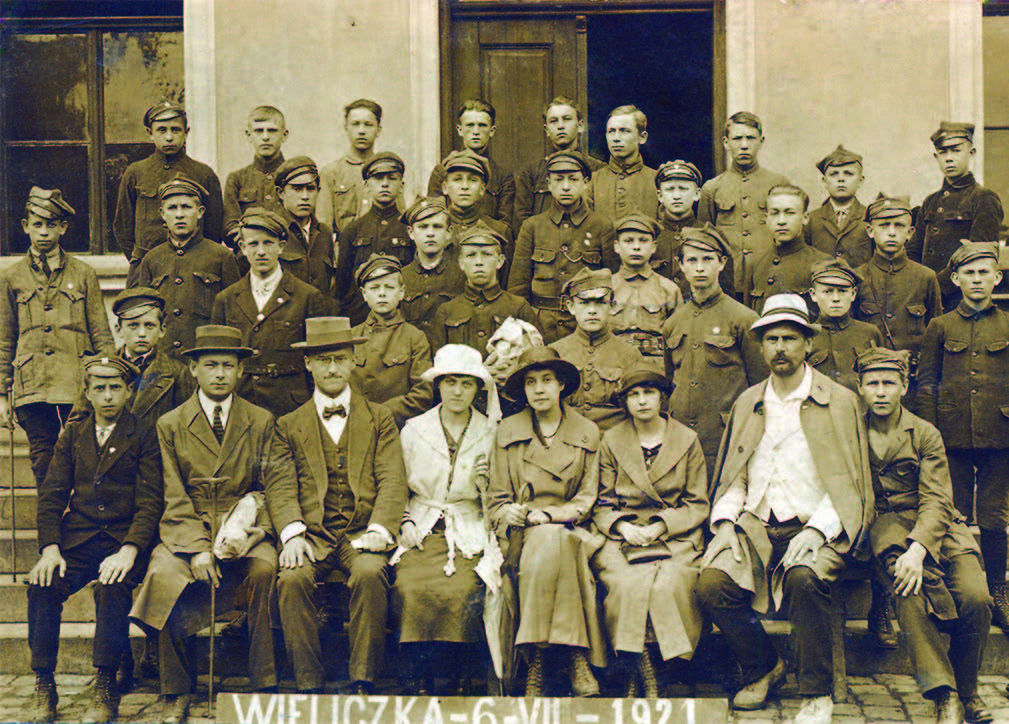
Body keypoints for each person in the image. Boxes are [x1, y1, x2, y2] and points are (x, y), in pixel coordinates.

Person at [696, 293, 872, 724]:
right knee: (712, 584)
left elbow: (849, 483)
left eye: (790, 339)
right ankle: (764, 667)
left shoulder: (838, 400)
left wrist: (816, 531)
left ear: (808, 343)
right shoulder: (749, 401)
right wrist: (725, 523)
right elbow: (735, 475)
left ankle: (816, 692)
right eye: (771, 339)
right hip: (757, 524)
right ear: (761, 346)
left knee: (803, 579)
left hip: (818, 524)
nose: (780, 348)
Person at [129, 326, 281, 723]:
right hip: (186, 526)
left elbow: (272, 485)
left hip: (244, 528)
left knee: (264, 569)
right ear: (193, 369)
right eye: (210, 365)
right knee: (164, 573)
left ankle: (263, 684)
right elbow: (171, 492)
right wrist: (197, 548)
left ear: (240, 371)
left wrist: (257, 530)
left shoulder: (261, 420)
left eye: (228, 366)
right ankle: (176, 690)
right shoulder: (170, 423)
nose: (220, 374)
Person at [265, 316, 407, 695]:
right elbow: (280, 485)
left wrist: (380, 529)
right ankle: (308, 683)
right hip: (312, 534)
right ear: (308, 364)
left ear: (353, 361)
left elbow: (392, 478)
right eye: (323, 360)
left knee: (370, 574)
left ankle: (363, 680)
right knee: (292, 578)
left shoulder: (379, 418)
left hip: (361, 532)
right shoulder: (288, 424)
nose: (332, 369)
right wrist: (292, 534)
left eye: (340, 359)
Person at [857, 347, 993, 724]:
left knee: (976, 597)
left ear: (904, 386)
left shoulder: (925, 433)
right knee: (909, 594)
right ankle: (945, 695)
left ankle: (969, 691)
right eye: (872, 383)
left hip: (939, 527)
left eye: (889, 383)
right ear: (860, 388)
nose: (880, 392)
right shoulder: (851, 433)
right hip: (885, 531)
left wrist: (918, 549)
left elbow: (936, 499)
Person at [28, 357, 160, 724]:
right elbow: (52, 495)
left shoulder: (144, 433)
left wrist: (130, 549)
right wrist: (50, 549)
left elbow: (151, 502)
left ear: (129, 391)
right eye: (99, 389)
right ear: (86, 393)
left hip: (125, 539)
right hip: (79, 539)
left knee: (112, 587)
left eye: (115, 388)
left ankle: (105, 684)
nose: (108, 396)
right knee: (43, 585)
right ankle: (44, 683)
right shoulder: (73, 435)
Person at [487, 346, 606, 697]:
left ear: (561, 385)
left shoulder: (587, 432)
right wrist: (507, 512)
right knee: (551, 544)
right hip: (521, 534)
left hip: (573, 528)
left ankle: (537, 662)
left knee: (557, 540)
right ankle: (575, 658)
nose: (539, 389)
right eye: (531, 382)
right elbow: (495, 499)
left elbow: (589, 497)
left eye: (547, 380)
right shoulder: (507, 431)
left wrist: (551, 515)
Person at [592, 366, 708, 697]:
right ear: (625, 402)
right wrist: (623, 526)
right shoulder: (611, 440)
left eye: (649, 393)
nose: (642, 401)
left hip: (675, 536)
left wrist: (661, 526)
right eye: (633, 395)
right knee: (626, 584)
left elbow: (697, 503)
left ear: (662, 398)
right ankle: (640, 671)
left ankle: (656, 670)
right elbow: (602, 502)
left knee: (668, 585)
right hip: (624, 537)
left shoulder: (687, 440)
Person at [391, 344, 500, 695]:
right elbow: (395, 485)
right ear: (437, 385)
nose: (457, 391)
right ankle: (418, 676)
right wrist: (405, 522)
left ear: (477, 389)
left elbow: (500, 492)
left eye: (467, 384)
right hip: (422, 522)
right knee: (410, 585)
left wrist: (484, 485)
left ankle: (456, 677)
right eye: (450, 382)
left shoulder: (489, 431)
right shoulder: (414, 429)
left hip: (469, 524)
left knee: (464, 588)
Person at [917, 241, 1009, 635]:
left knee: (993, 518)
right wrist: (928, 434)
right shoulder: (940, 327)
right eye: (968, 273)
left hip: (999, 436)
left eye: (984, 272)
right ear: (955, 279)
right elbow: (926, 384)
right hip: (950, 437)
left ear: (997, 278)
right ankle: (949, 591)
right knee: (949, 515)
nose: (976, 280)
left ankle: (998, 591)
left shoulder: (1007, 324)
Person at [0, 187, 114, 489]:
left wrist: (108, 382)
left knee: (81, 457)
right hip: (32, 386)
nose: (44, 232)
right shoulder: (12, 277)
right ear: (25, 226)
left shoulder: (83, 273)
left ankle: (78, 517)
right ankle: (49, 519)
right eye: (37, 224)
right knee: (43, 460)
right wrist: (2, 395)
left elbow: (101, 333)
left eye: (51, 224)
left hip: (76, 385)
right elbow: (5, 339)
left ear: (62, 227)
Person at [661, 224, 766, 482]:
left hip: (726, 437)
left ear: (721, 263)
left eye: (707, 259)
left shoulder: (743, 319)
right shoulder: (673, 323)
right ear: (681, 265)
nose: (699, 268)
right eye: (692, 260)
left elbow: (761, 386)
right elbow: (669, 383)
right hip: (681, 436)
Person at [211, 208, 335, 417]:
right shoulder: (226, 299)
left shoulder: (307, 296)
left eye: (268, 243)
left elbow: (317, 360)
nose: (261, 251)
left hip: (291, 408)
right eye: (253, 244)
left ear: (281, 246)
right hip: (241, 405)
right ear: (242, 248)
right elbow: (217, 360)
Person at [509, 150, 615, 342]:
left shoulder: (601, 226)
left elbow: (613, 282)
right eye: (558, 180)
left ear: (585, 182)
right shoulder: (532, 226)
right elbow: (518, 288)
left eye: (573, 179)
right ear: (549, 184)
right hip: (541, 327)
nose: (565, 187)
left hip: (586, 327)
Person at [114, 102, 223, 284]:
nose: (169, 137)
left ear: (186, 133)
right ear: (150, 133)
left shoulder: (204, 174)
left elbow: (214, 229)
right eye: (162, 130)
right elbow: (122, 227)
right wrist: (141, 260)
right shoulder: (136, 173)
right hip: (146, 271)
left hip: (193, 270)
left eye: (176, 130)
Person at [134, 177, 241, 360]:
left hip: (204, 358)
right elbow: (143, 316)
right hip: (163, 359)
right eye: (172, 208)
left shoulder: (222, 257)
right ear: (162, 214)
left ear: (200, 212)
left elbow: (234, 316)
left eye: (186, 207)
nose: (179, 215)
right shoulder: (151, 260)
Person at [908, 122, 1003, 310]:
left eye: (956, 151)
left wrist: (935, 290)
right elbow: (913, 251)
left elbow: (978, 256)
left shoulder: (983, 198)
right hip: (926, 300)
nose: (949, 158)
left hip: (961, 302)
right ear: (936, 157)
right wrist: (916, 288)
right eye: (943, 152)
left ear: (971, 153)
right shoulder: (930, 201)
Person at [853, 194, 942, 383]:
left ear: (910, 233)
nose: (891, 232)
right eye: (884, 225)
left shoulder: (925, 277)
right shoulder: (857, 277)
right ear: (870, 230)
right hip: (871, 378)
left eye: (899, 226)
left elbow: (936, 336)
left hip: (913, 378)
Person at [698, 111, 789, 292]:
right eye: (737, 139)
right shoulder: (712, 188)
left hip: (770, 279)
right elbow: (705, 239)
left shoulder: (779, 184)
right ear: (726, 143)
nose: (744, 145)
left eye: (751, 138)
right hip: (728, 282)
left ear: (761, 141)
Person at [551, 269, 643, 432]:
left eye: (600, 303)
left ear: (612, 306)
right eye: (584, 303)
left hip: (613, 441)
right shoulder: (555, 353)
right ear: (571, 307)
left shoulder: (629, 355)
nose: (592, 310)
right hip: (566, 439)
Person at [350, 254, 433, 428]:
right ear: (364, 294)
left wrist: (379, 414)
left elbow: (423, 394)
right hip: (354, 426)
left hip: (397, 428)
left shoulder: (414, 338)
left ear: (401, 292)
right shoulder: (351, 337)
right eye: (374, 288)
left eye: (389, 287)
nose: (382, 293)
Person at [335, 153, 413, 324]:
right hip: (360, 319)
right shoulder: (353, 231)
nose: (385, 184)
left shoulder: (410, 229)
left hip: (402, 319)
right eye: (378, 178)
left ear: (401, 186)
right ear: (366, 186)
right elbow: (342, 286)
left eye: (391, 178)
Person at [513, 96, 604, 231]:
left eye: (566, 119)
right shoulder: (532, 172)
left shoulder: (597, 169)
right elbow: (522, 218)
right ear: (546, 130)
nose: (560, 126)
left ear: (580, 126)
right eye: (554, 121)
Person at [317, 99, 405, 233]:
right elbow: (324, 225)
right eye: (355, 124)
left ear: (378, 130)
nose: (361, 131)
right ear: (346, 128)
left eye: (368, 125)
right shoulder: (331, 172)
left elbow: (401, 220)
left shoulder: (389, 171)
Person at [609, 213, 683, 371]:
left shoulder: (668, 289)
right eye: (629, 241)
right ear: (617, 246)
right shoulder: (607, 288)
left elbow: (678, 340)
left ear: (654, 246)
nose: (636, 247)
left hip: (656, 368)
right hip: (614, 365)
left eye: (643, 241)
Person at [652, 160, 735, 298]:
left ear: (697, 194)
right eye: (670, 189)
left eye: (683, 189)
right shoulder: (650, 236)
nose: (676, 196)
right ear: (660, 196)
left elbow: (726, 289)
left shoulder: (712, 235)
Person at [428, 99, 515, 228]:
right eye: (470, 125)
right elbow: (433, 215)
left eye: (482, 125)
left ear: (492, 130)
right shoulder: (442, 171)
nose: (475, 131)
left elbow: (505, 224)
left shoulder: (502, 176)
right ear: (460, 130)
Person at [744, 184, 831, 311]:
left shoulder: (822, 263)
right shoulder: (756, 264)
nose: (781, 221)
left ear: (805, 218)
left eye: (789, 213)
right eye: (774, 213)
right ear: (766, 218)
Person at [807, 259, 885, 394]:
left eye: (842, 291)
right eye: (827, 292)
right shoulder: (806, 335)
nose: (836, 298)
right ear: (813, 295)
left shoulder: (869, 333)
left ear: (853, 294)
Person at [399, 197, 466, 345]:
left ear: (449, 232)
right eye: (423, 227)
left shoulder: (462, 276)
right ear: (411, 232)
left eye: (437, 227)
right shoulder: (400, 278)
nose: (430, 233)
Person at [222, 105, 289, 244]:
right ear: (249, 135)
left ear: (284, 135)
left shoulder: (293, 177)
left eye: (272, 131)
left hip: (288, 251)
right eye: (259, 131)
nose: (265, 137)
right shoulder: (237, 179)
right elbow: (230, 227)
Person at [273, 157, 336, 297]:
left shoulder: (324, 233)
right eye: (297, 189)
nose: (305, 196)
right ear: (281, 193)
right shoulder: (271, 231)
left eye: (311, 189)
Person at [804, 144, 873, 268]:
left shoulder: (870, 218)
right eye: (834, 174)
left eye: (848, 173)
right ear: (824, 181)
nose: (841, 179)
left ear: (860, 180)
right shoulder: (811, 219)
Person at [589, 105, 658, 224]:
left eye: (624, 131)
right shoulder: (593, 181)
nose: (616, 138)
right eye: (611, 131)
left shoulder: (656, 181)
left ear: (642, 137)